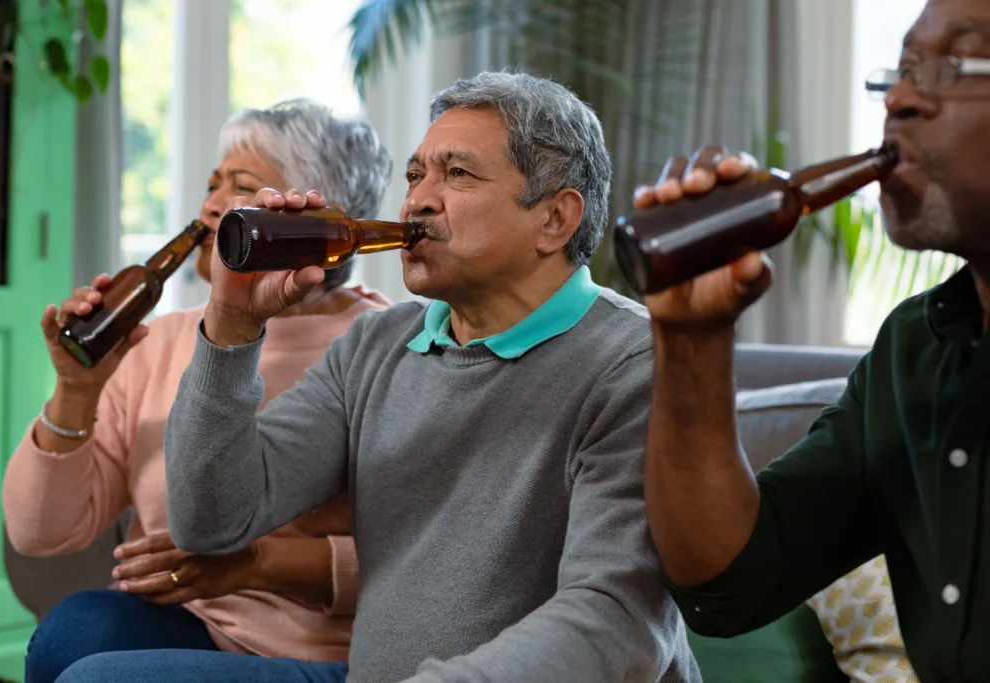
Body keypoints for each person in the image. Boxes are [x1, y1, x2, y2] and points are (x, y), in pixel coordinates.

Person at [53, 71, 701, 683]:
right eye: (416, 173)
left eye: (458, 174)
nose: (418, 198)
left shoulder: (633, 358)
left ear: (555, 218)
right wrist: (231, 324)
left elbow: (616, 615)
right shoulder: (378, 346)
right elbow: (211, 520)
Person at [635, 1, 990, 681]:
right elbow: (729, 580)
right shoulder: (913, 353)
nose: (903, 99)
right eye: (903, 70)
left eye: (946, 68)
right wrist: (692, 338)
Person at [2, 98, 393, 683]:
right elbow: (41, 532)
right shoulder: (157, 340)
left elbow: (431, 563)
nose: (210, 204)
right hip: (191, 621)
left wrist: (254, 564)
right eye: (213, 184)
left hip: (325, 649)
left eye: (241, 186)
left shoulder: (390, 349)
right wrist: (76, 391)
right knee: (74, 633)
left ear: (309, 214)